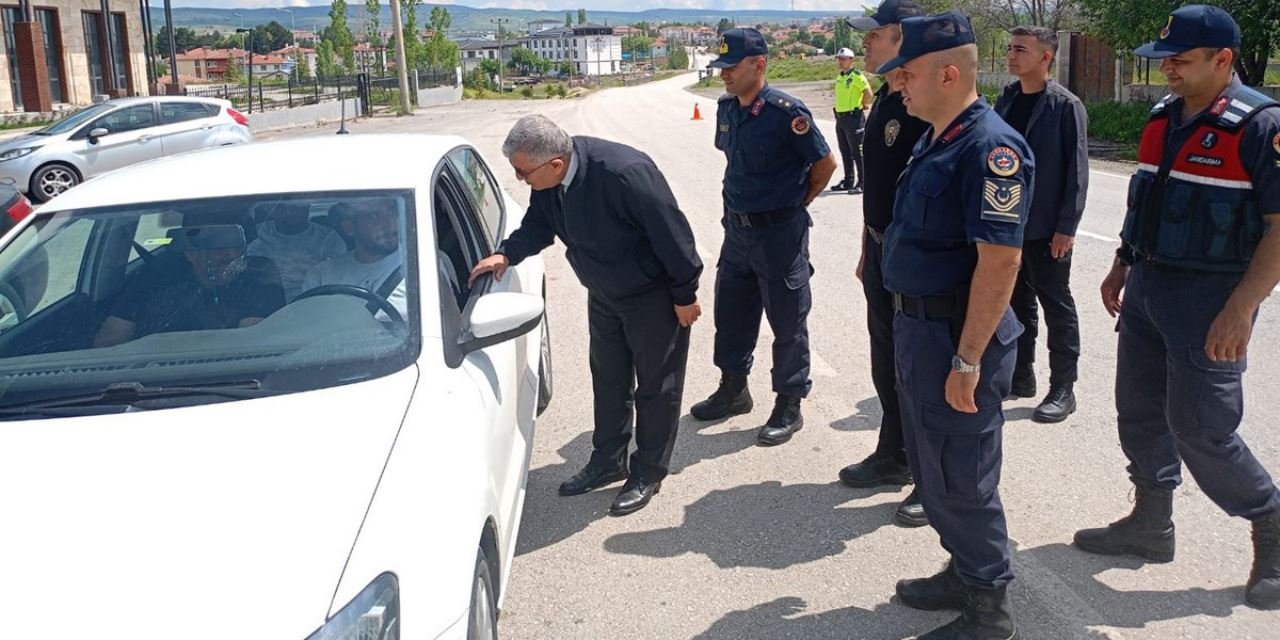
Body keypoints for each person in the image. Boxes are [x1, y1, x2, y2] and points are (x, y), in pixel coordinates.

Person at [1073, 4, 1280, 610]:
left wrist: (1242, 308)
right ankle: (1151, 524)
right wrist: (1122, 263)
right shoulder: (1163, 119)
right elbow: (1147, 203)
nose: (1168, 71)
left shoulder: (1260, 127)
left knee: (1203, 428)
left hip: (1210, 298)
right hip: (1148, 288)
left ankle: (1270, 524)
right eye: (1164, 59)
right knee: (1138, 412)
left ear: (1224, 59)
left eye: (1181, 61)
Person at [879, 12, 1032, 638]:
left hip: (955, 338)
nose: (897, 86)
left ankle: (988, 606)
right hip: (920, 331)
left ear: (948, 72)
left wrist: (968, 360)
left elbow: (1001, 262)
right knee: (930, 462)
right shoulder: (938, 134)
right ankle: (963, 568)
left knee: (962, 473)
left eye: (906, 73)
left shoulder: (990, 147)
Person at [469, 115, 703, 517]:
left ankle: (647, 470)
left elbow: (673, 234)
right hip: (604, 294)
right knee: (609, 380)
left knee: (656, 387)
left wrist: (685, 294)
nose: (521, 180)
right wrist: (507, 253)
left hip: (652, 298)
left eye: (523, 172)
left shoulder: (624, 174)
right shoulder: (553, 181)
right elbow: (539, 225)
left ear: (554, 164)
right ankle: (608, 460)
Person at [691, 27, 837, 447]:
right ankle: (734, 388)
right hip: (737, 231)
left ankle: (789, 402)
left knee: (788, 320)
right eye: (720, 67)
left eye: (731, 67)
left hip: (779, 233)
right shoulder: (726, 109)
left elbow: (824, 164)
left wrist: (796, 204)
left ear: (759, 64)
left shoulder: (784, 112)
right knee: (732, 313)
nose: (724, 75)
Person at [841, 0, 932, 528]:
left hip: (915, 254)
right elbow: (875, 181)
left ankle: (930, 476)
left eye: (873, 35)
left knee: (919, 368)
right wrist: (865, 245)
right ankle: (894, 453)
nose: (866, 43)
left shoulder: (925, 101)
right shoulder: (887, 94)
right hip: (881, 248)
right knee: (886, 359)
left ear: (900, 36)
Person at [996, 26, 1089, 423]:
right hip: (1008, 223)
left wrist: (1066, 227)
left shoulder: (1065, 106)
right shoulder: (1008, 98)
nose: (1011, 56)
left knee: (1056, 304)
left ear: (1045, 57)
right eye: (1011, 48)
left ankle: (1063, 388)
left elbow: (1077, 172)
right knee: (1016, 303)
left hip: (1048, 225)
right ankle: (1021, 375)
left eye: (1020, 50)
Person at [95, 224, 285, 348]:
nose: (230, 255)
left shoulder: (259, 276)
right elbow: (110, 339)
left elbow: (250, 344)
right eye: (218, 248)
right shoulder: (152, 281)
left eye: (237, 247)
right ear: (191, 255)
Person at [302, 198, 407, 319]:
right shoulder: (321, 276)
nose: (391, 225)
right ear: (349, 227)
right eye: (374, 216)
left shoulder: (418, 263)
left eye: (392, 212)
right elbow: (309, 326)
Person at [247, 202, 347, 301]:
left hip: (316, 304)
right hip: (265, 307)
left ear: (308, 205)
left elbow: (338, 285)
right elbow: (246, 279)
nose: (289, 212)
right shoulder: (255, 236)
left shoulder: (329, 240)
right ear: (270, 208)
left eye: (296, 206)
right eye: (281, 207)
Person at [829, 47, 874, 195]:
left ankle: (862, 182)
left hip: (853, 117)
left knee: (857, 152)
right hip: (841, 118)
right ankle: (848, 180)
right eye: (839, 59)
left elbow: (868, 93)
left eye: (843, 59)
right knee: (845, 151)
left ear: (851, 60)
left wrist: (862, 104)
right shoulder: (840, 76)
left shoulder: (856, 76)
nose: (840, 62)